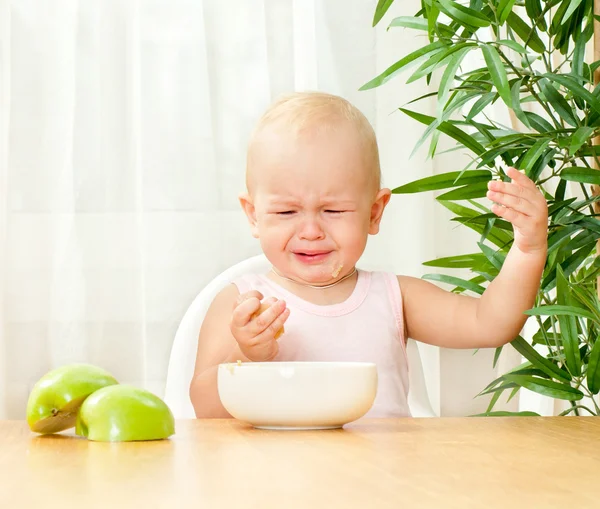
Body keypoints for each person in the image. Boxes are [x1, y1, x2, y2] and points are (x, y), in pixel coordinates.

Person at [189, 91, 548, 418]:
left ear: (374, 212)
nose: (311, 231)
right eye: (286, 213)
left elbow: (490, 323)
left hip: (385, 483)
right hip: (284, 485)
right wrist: (246, 354)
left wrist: (528, 249)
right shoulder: (241, 304)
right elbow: (203, 409)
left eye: (333, 211)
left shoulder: (394, 298)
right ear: (253, 215)